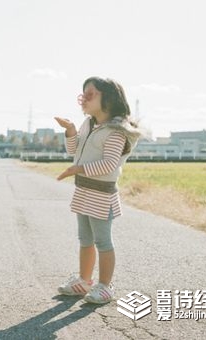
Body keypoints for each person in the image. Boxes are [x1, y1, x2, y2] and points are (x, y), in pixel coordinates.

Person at [54, 76, 141, 304]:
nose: (84, 98)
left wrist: (77, 169)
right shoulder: (89, 124)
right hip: (84, 192)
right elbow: (74, 150)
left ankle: (104, 286)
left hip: (102, 194)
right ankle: (83, 280)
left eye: (90, 94)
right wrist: (71, 130)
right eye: (83, 94)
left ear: (109, 99)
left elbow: (108, 165)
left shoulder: (116, 131)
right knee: (85, 239)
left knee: (103, 241)